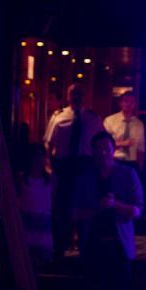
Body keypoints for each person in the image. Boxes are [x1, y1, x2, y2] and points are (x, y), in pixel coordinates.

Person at [73, 131, 143, 290]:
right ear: (92, 152)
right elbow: (75, 212)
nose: (102, 153)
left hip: (119, 249)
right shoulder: (85, 177)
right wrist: (97, 209)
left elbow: (137, 210)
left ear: (113, 150)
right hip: (93, 248)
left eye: (106, 148)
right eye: (98, 148)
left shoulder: (127, 174)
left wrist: (115, 205)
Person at [43, 83, 103, 259]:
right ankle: (61, 247)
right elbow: (48, 142)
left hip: (85, 165)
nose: (76, 97)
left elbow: (100, 142)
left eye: (80, 93)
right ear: (68, 96)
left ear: (85, 96)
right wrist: (49, 164)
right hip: (64, 166)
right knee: (63, 207)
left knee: (85, 205)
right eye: (73, 94)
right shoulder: (58, 117)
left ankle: (84, 247)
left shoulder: (93, 118)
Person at [17, 143, 53, 269]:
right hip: (27, 224)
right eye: (36, 156)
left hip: (44, 225)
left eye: (42, 156)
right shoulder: (22, 178)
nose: (39, 159)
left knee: (44, 262)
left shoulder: (51, 179)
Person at [103, 90, 146, 171]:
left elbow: (141, 148)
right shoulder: (110, 121)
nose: (128, 104)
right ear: (120, 103)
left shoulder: (139, 124)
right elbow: (104, 144)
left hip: (132, 163)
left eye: (131, 102)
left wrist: (140, 167)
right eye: (126, 101)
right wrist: (122, 143)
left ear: (134, 104)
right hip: (115, 161)